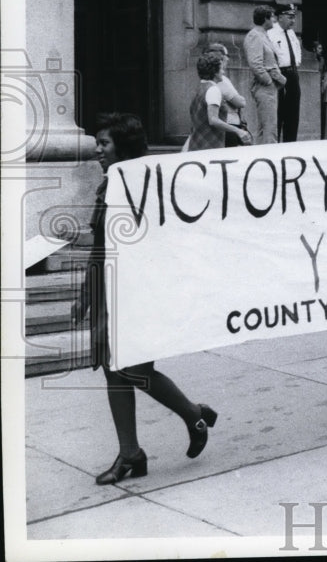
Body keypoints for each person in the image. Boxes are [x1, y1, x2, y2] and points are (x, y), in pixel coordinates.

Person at [71, 113, 217, 484]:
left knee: (133, 369)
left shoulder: (146, 187)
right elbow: (100, 249)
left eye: (104, 144)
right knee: (114, 367)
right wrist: (87, 295)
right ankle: (132, 452)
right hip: (111, 289)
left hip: (139, 291)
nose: (98, 151)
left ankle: (191, 415)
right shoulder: (110, 187)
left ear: (123, 147)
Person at [188, 51, 253, 150]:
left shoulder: (199, 88)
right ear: (214, 71)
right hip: (211, 147)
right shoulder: (213, 90)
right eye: (221, 68)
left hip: (196, 145)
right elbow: (213, 120)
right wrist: (238, 131)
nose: (223, 72)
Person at [243, 5, 285, 144]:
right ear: (265, 18)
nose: (274, 20)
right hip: (264, 87)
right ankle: (269, 158)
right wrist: (268, 81)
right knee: (269, 128)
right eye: (272, 16)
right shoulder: (254, 35)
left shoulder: (263, 35)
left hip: (269, 87)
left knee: (266, 127)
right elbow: (255, 64)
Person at [267, 4, 302, 142]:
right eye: (290, 17)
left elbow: (297, 51)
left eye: (294, 17)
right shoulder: (271, 33)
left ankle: (290, 143)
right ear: (280, 17)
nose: (293, 21)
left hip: (293, 73)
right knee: (279, 111)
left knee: (293, 112)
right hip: (279, 73)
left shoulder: (291, 33)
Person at [204, 43, 248, 147]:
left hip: (227, 125)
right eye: (226, 56)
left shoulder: (211, 80)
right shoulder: (220, 80)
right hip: (228, 125)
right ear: (221, 59)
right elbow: (240, 102)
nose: (228, 60)